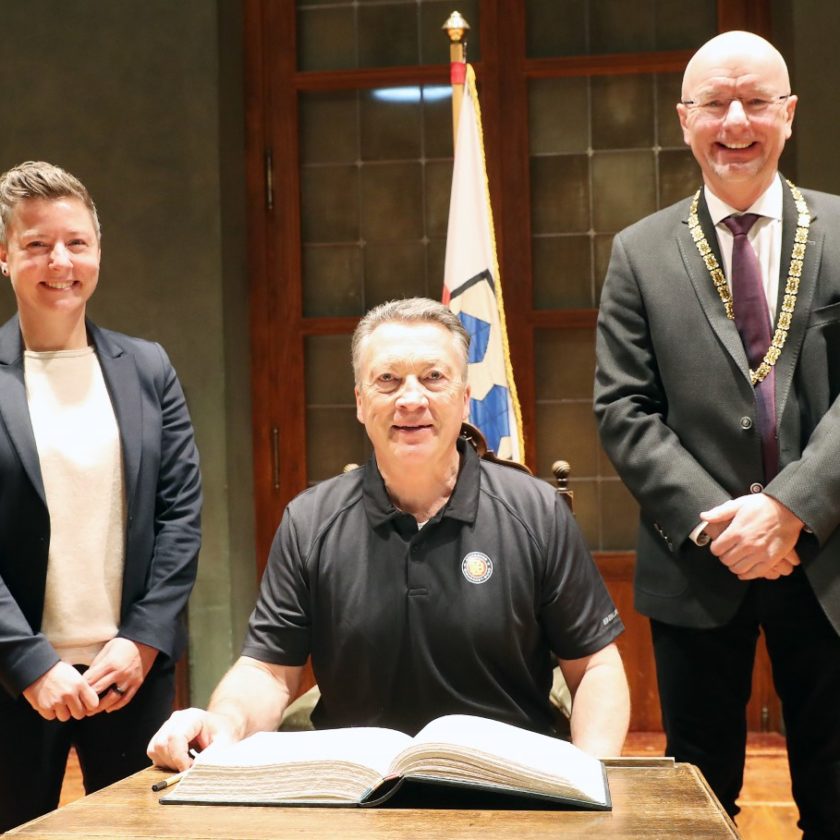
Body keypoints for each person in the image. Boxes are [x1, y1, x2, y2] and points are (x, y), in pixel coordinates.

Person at [148, 297, 629, 772]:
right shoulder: (310, 521)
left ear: (464, 399)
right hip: (355, 788)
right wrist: (222, 723)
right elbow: (269, 672)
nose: (412, 398)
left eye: (434, 377)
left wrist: (588, 779)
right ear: (360, 401)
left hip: (512, 785)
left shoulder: (536, 512)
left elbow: (595, 669)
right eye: (388, 380)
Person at [594, 31, 840, 837]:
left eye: (757, 101)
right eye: (715, 104)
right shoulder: (638, 252)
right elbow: (623, 409)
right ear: (684, 118)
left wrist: (793, 507)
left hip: (832, 559)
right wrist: (727, 525)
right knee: (695, 809)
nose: (736, 121)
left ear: (790, 114)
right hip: (699, 567)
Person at [0, 161, 202, 831]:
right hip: (10, 680)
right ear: (5, 256)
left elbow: (180, 516)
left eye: (77, 242)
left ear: (98, 250)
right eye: (36, 244)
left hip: (130, 677)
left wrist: (143, 639)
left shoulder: (147, 368)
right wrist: (29, 661)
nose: (61, 261)